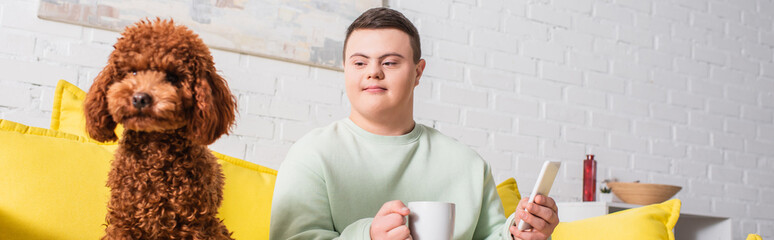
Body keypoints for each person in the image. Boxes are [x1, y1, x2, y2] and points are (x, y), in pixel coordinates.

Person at [269, 7, 559, 240]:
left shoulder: (469, 165)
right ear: (345, 69)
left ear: (418, 72)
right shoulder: (311, 155)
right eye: (359, 63)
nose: (373, 72)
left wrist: (520, 233)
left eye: (390, 62)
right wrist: (368, 236)